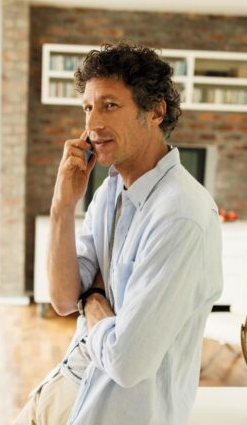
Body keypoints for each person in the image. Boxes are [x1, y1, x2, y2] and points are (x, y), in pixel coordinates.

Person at [13, 42, 223, 425]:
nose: (93, 125)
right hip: (66, 386)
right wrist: (62, 205)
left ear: (156, 111)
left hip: (114, 412)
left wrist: (92, 299)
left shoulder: (181, 215)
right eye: (88, 108)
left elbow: (127, 363)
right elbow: (62, 298)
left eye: (110, 105)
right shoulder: (109, 192)